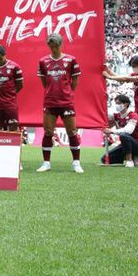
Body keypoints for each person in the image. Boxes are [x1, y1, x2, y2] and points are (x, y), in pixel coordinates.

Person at [36, 33, 83, 174]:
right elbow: (45, 82)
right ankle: (46, 163)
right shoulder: (43, 61)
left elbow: (74, 82)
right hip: (50, 102)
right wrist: (53, 92)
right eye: (51, 46)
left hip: (66, 102)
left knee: (72, 132)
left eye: (55, 46)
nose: (53, 49)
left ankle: (76, 163)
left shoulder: (71, 60)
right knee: (48, 132)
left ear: (60, 45)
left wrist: (66, 93)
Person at [103, 55, 138, 167]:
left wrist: (109, 77)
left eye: (135, 66)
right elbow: (122, 78)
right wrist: (109, 71)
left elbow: (125, 79)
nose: (133, 68)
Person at [0, 45, 23, 131]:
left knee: (13, 127)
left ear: (4, 54)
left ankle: (14, 144)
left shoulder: (14, 67)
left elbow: (20, 85)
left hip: (10, 103)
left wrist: (10, 94)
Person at [102, 95, 138, 167]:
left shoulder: (133, 115)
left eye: (118, 103)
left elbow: (128, 130)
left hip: (137, 145)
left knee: (124, 135)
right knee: (104, 159)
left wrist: (111, 131)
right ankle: (129, 157)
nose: (117, 105)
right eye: (116, 103)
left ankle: (130, 160)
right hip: (124, 145)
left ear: (126, 104)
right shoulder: (117, 116)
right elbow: (104, 115)